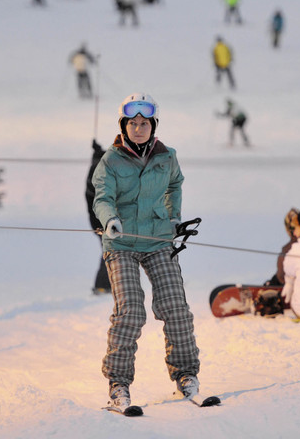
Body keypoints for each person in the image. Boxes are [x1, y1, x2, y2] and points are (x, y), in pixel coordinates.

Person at [91, 93, 201, 409]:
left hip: (157, 240)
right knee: (131, 310)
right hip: (122, 243)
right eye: (133, 123)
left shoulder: (167, 156)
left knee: (175, 306)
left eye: (144, 123)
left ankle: (186, 374)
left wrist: (174, 215)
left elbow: (174, 185)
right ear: (123, 126)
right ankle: (118, 384)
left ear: (153, 125)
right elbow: (102, 197)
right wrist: (109, 219)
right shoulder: (110, 160)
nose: (139, 128)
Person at [85, 139, 111, 294]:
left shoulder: (96, 170)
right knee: (109, 250)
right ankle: (103, 286)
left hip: (101, 220)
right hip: (100, 221)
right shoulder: (97, 175)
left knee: (109, 250)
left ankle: (105, 285)